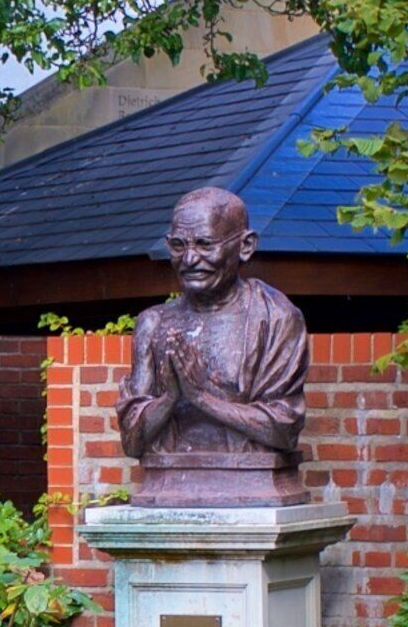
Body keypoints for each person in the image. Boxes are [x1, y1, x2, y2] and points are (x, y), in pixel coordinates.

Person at [115, 185, 309, 506]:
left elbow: (283, 429)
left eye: (205, 244)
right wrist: (170, 398)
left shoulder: (275, 318)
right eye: (178, 245)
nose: (190, 259)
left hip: (253, 491)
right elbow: (133, 441)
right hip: (168, 490)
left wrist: (200, 398)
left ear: (245, 246)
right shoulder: (153, 324)